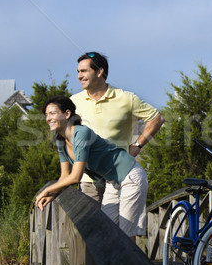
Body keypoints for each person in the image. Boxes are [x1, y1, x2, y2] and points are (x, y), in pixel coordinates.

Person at [35, 96, 148, 242]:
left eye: (52, 113)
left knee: (126, 234)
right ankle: (116, 264)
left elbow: (76, 177)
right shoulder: (60, 141)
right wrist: (53, 194)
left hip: (130, 176)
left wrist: (46, 190)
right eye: (46, 115)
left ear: (67, 114)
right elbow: (65, 177)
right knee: (108, 231)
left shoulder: (81, 133)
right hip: (112, 182)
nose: (48, 118)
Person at [71, 52, 164, 203]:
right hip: (88, 179)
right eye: (78, 72)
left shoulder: (126, 98)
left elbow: (157, 118)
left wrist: (138, 145)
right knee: (90, 226)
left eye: (84, 71)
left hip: (119, 176)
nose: (79, 76)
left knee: (119, 225)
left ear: (100, 72)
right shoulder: (73, 102)